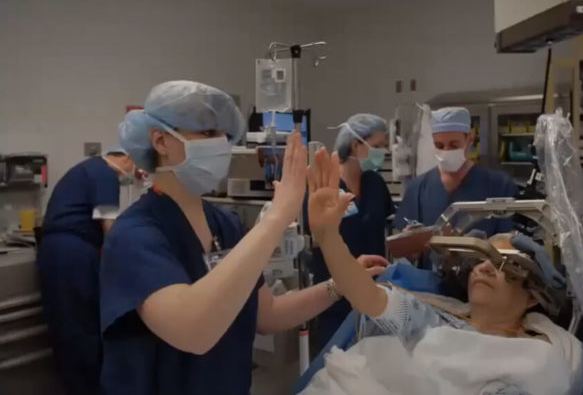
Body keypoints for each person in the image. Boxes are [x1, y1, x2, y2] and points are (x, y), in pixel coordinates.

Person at [100, 81, 388, 395]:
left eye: (225, 135)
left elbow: (268, 313)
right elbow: (193, 331)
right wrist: (277, 217)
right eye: (208, 133)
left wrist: (339, 285)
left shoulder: (224, 224)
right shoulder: (136, 235)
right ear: (160, 141)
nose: (221, 144)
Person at [304, 148, 583, 395]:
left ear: (533, 296)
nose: (485, 267)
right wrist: (329, 237)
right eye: (480, 259)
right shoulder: (433, 321)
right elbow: (366, 295)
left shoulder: (538, 356)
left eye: (505, 265)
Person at [38, 148, 135, 395]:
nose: (133, 175)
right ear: (127, 158)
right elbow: (109, 226)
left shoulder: (86, 170)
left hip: (57, 251)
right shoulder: (105, 175)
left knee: (67, 325)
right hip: (73, 254)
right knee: (81, 327)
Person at [306, 113, 395, 352]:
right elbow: (317, 235)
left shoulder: (375, 183)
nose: (383, 152)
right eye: (377, 146)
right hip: (335, 297)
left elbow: (388, 224)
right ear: (356, 145)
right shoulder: (327, 186)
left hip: (373, 291)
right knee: (337, 360)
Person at [394, 107, 517, 235]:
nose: (446, 151)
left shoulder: (499, 185)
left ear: (470, 140)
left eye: (454, 145)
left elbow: (506, 239)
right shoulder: (417, 188)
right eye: (439, 146)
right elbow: (406, 238)